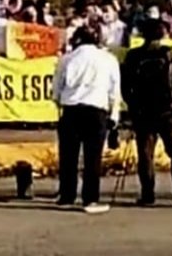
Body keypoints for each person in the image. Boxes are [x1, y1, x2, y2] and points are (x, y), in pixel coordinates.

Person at [121, 19, 172, 208]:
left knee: (146, 155)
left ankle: (148, 194)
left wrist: (133, 107)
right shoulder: (171, 55)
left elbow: (125, 86)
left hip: (143, 113)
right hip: (168, 112)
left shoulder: (133, 56)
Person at [51, 25, 121, 214]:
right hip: (96, 111)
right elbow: (114, 91)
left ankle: (66, 196)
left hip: (71, 110)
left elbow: (56, 91)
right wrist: (114, 118)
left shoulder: (66, 60)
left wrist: (61, 104)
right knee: (93, 158)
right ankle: (90, 199)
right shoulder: (108, 59)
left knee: (68, 156)